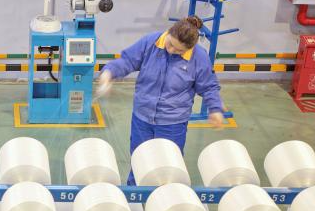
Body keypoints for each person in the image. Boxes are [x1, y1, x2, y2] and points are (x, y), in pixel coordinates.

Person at [96, 16, 224, 182]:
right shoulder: (151, 42)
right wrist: (109, 72)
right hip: (142, 118)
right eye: (170, 44)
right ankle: (134, 193)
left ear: (190, 48)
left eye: (178, 50)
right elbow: (127, 61)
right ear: (168, 33)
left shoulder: (199, 57)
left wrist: (215, 109)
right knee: (139, 161)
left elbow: (208, 86)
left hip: (172, 123)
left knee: (167, 167)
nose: (171, 50)